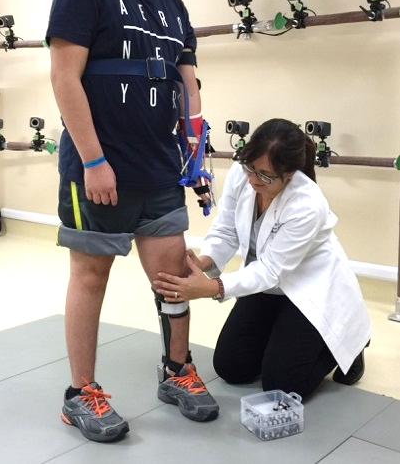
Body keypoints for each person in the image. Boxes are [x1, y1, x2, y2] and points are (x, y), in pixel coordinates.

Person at [47, 0, 219, 443]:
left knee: (174, 279)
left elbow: (187, 84)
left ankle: (177, 371)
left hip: (161, 170)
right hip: (99, 172)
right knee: (90, 277)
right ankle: (81, 393)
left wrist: (195, 155)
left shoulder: (172, 6)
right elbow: (64, 76)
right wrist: (94, 160)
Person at [153, 118, 372, 399]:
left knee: (282, 386)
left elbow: (271, 269)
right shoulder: (240, 174)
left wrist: (211, 288)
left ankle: (351, 344)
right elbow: (227, 230)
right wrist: (203, 262)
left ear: (289, 173)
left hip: (309, 290)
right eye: (250, 168)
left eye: (265, 175)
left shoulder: (307, 204)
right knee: (231, 368)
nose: (254, 179)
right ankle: (282, 339)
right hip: (266, 287)